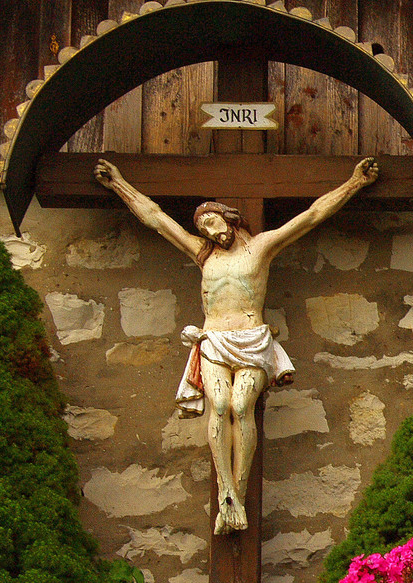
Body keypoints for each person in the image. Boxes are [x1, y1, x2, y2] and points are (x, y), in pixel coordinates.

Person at [94, 156, 379, 533]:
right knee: (221, 403)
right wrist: (118, 184)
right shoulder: (202, 254)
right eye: (205, 228)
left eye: (214, 223)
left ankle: (238, 495)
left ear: (229, 218)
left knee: (242, 405)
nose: (212, 232)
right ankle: (226, 494)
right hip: (213, 339)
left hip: (252, 338)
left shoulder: (260, 248)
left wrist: (354, 183)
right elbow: (156, 217)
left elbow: (311, 216)